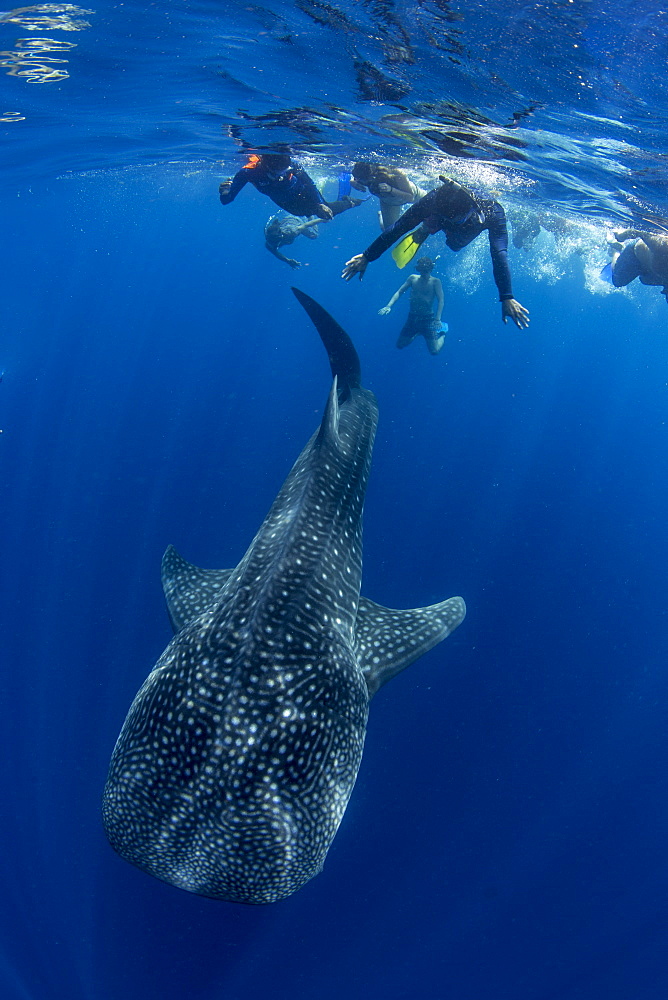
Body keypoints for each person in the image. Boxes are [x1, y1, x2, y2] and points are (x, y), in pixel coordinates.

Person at [341, 175, 530, 329]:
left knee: (455, 245)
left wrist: (507, 296)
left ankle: (434, 225)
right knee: (429, 221)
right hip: (438, 214)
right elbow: (399, 227)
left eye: (454, 218)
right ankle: (429, 225)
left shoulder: (492, 211)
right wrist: (367, 256)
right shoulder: (433, 200)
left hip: (470, 224)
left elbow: (499, 253)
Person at [219, 152, 360, 221]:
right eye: (279, 171)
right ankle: (348, 202)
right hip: (287, 203)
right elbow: (226, 200)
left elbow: (309, 183)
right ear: (265, 165)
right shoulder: (248, 172)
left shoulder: (292, 165)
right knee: (305, 213)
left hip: (304, 192)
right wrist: (225, 190)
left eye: (285, 169)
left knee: (326, 212)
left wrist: (319, 203)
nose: (283, 174)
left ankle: (350, 202)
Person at [379, 257, 446, 355]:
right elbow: (400, 291)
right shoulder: (412, 278)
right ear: (418, 269)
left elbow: (441, 300)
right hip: (413, 317)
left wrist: (438, 319)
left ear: (430, 270)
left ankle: (443, 334)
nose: (424, 274)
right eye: (422, 271)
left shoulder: (435, 282)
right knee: (400, 344)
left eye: (426, 271)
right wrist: (388, 306)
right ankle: (418, 332)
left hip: (428, 319)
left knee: (434, 351)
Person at [350, 161, 426, 230]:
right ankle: (381, 215)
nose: (367, 183)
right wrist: (352, 182)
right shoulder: (362, 177)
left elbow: (410, 197)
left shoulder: (395, 173)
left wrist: (391, 190)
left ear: (372, 175)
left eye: (368, 181)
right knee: (389, 230)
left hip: (415, 195)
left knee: (433, 203)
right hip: (389, 203)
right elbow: (354, 178)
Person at [602, 229, 668, 303]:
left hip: (649, 264)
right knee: (618, 281)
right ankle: (616, 249)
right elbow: (641, 232)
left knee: (649, 279)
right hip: (634, 253)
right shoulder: (663, 249)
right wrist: (621, 235)